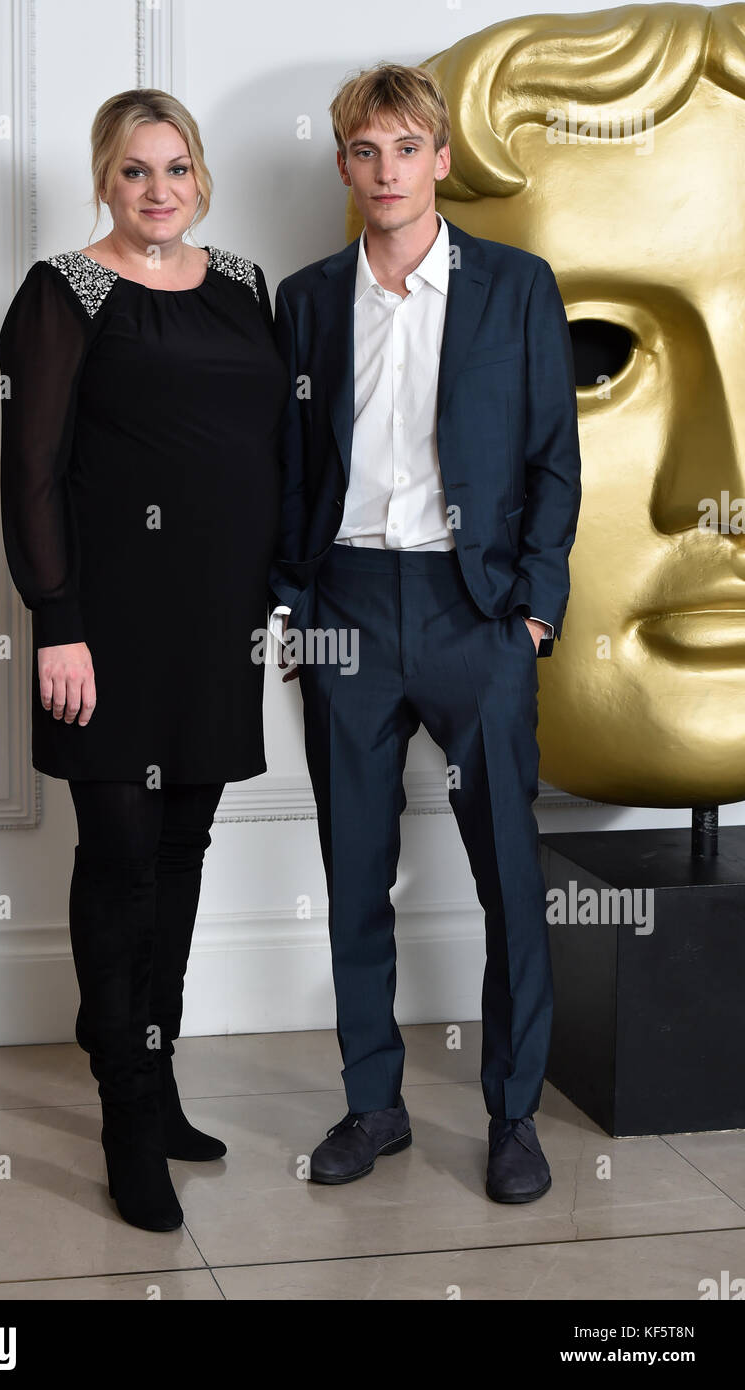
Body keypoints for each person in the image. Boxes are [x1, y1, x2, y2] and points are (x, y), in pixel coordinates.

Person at [269, 63, 581, 1202]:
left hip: (477, 611)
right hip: (346, 608)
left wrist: (535, 606)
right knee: (356, 870)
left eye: (406, 148)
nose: (386, 170)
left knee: (509, 873)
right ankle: (373, 1104)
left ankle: (512, 1116)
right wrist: (296, 610)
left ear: (441, 160)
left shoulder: (514, 288)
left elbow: (553, 456)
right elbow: (286, 469)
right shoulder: (304, 301)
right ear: (343, 164)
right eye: (364, 150)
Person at [0, 89, 287, 1231]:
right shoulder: (62, 293)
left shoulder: (247, 288)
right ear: (103, 181)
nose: (156, 190)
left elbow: (269, 444)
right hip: (105, 626)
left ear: (199, 174)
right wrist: (56, 620)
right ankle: (124, 1112)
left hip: (216, 622)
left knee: (183, 847)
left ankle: (156, 1077)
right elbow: (29, 474)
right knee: (118, 861)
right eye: (132, 172)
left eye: (174, 168)